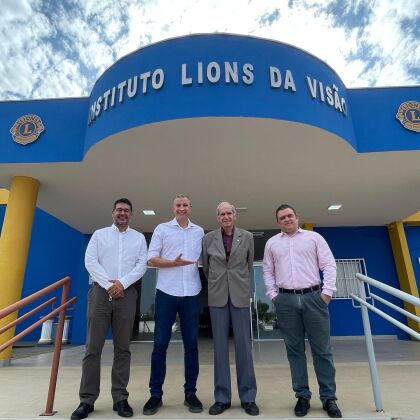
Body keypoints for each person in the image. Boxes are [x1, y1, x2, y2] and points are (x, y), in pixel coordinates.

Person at [71, 198, 148, 419]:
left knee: (122, 349)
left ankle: (120, 398)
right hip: (100, 295)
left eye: (126, 211)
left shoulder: (139, 238)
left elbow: (141, 265)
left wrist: (121, 284)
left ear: (131, 215)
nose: (122, 213)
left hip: (127, 294)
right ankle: (87, 400)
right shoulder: (99, 235)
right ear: (112, 213)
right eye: (119, 210)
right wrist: (109, 285)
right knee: (92, 348)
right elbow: (90, 262)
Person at [262, 204, 342, 418]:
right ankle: (302, 396)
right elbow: (267, 270)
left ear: (297, 217)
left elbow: (329, 264)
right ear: (278, 222)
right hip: (285, 300)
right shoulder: (272, 244)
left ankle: (328, 398)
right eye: (282, 217)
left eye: (290, 215)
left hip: (314, 298)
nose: (287, 219)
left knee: (322, 350)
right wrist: (273, 296)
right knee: (294, 351)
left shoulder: (314, 238)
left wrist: (326, 293)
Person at [142, 194, 204, 415]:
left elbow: (204, 259)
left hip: (192, 293)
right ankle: (155, 394)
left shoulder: (199, 231)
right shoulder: (162, 229)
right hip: (166, 293)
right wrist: (172, 263)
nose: (182, 208)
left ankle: (191, 393)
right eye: (178, 205)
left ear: (190, 207)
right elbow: (151, 259)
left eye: (185, 205)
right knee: (160, 345)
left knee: (192, 345)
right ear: (173, 208)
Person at [202, 202, 259, 416]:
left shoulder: (247, 237)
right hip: (217, 297)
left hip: (240, 296)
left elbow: (249, 264)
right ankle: (222, 397)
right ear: (217, 217)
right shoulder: (208, 239)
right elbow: (207, 268)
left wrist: (236, 282)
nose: (225, 216)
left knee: (244, 347)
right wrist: (219, 282)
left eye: (229, 213)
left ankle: (248, 397)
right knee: (219, 349)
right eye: (221, 214)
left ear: (235, 216)